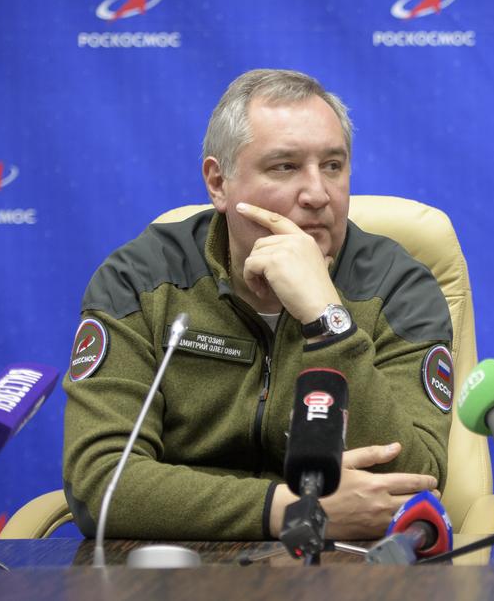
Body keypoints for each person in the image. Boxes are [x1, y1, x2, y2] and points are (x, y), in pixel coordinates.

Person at [62, 69, 456, 540]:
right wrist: (288, 507)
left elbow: (413, 483)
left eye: (333, 165)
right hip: (174, 570)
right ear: (218, 183)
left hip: (346, 571)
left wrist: (327, 319)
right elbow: (102, 482)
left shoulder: (398, 286)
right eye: (285, 167)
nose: (317, 194)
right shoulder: (142, 280)